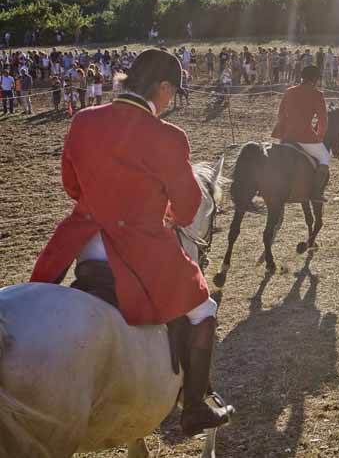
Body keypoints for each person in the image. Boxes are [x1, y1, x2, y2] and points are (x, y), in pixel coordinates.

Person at [29, 49, 235, 435]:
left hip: (84, 246)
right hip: (140, 251)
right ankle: (193, 408)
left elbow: (71, 185)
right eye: (171, 93)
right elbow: (189, 206)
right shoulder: (169, 136)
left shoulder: (83, 120)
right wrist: (170, 216)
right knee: (204, 310)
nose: (169, 101)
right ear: (163, 87)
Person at [271, 65, 330, 203]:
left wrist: (284, 131)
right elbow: (323, 120)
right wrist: (319, 136)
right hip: (305, 137)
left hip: (287, 136)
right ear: (315, 79)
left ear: (302, 77)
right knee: (325, 157)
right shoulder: (317, 94)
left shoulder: (289, 91)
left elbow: (281, 114)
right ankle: (315, 192)